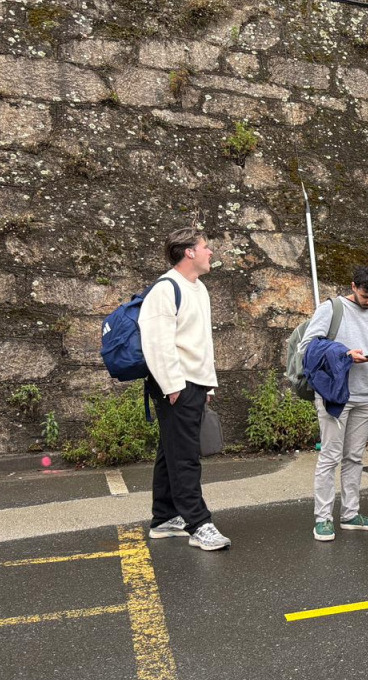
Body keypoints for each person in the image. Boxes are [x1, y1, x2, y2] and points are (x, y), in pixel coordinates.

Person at [141, 228, 230, 551]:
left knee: (171, 452)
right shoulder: (165, 290)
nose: (210, 253)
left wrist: (209, 384)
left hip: (194, 383)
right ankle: (198, 523)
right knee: (185, 458)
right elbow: (157, 343)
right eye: (205, 247)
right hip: (175, 385)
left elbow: (201, 342)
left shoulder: (199, 289)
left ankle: (165, 517)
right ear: (188, 252)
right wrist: (173, 385)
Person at [303, 265, 368, 542]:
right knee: (329, 457)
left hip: (366, 396)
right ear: (353, 286)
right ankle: (323, 519)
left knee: (355, 458)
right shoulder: (331, 309)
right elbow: (308, 345)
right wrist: (344, 354)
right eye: (366, 296)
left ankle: (351, 514)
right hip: (335, 395)